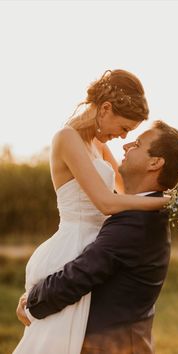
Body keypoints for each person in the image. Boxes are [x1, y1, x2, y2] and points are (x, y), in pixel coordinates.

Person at [13, 70, 169, 354]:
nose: (122, 137)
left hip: (96, 249)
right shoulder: (66, 138)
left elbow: (129, 191)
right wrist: (164, 201)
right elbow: (107, 204)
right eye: (124, 127)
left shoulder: (98, 144)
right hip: (71, 249)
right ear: (106, 109)